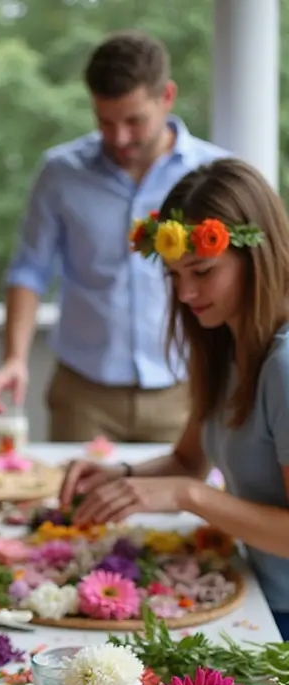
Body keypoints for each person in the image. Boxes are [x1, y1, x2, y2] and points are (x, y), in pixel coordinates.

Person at [60, 157, 289, 640]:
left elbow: (189, 484)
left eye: (202, 271)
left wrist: (188, 495)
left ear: (257, 258)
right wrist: (121, 476)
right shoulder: (226, 342)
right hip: (252, 589)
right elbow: (188, 461)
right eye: (173, 276)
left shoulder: (284, 365)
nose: (185, 293)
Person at [0, 30, 227, 443]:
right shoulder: (60, 173)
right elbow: (29, 270)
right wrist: (13, 359)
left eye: (134, 121)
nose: (119, 138)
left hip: (186, 389)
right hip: (84, 395)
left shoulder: (215, 173)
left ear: (167, 97)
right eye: (105, 122)